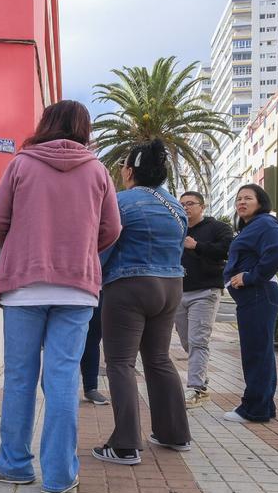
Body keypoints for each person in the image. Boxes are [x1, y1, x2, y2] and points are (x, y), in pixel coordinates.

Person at [0, 100, 121, 493]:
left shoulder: (21, 163)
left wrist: (20, 249)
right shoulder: (98, 170)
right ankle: (59, 475)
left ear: (46, 123)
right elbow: (112, 228)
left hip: (24, 287)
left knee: (19, 378)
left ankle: (13, 464)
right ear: (84, 128)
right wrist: (81, 252)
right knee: (62, 379)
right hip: (77, 289)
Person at [94, 140, 191, 466]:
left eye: (122, 166)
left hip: (130, 285)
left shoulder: (121, 202)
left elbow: (103, 245)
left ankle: (125, 445)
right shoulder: (177, 207)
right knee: (159, 359)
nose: (120, 172)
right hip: (171, 286)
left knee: (120, 363)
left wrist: (95, 276)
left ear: (131, 170)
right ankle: (174, 433)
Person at [222, 184, 278, 424]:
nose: (241, 202)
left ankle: (253, 409)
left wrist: (250, 277)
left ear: (261, 201)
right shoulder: (253, 226)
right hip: (255, 295)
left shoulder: (265, 224)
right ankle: (263, 406)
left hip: (258, 292)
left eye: (248, 198)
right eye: (239, 198)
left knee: (256, 352)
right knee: (260, 351)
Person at [177, 191, 234, 407]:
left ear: (202, 207)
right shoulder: (177, 228)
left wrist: (197, 246)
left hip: (205, 291)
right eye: (181, 204)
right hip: (179, 290)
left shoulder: (218, 227)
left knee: (198, 340)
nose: (185, 208)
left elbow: (227, 250)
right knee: (186, 341)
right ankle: (200, 377)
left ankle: (196, 388)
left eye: (190, 204)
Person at [81, 302, 109, 405]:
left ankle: (91, 388)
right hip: (72, 294)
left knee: (92, 341)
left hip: (96, 292)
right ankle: (61, 390)